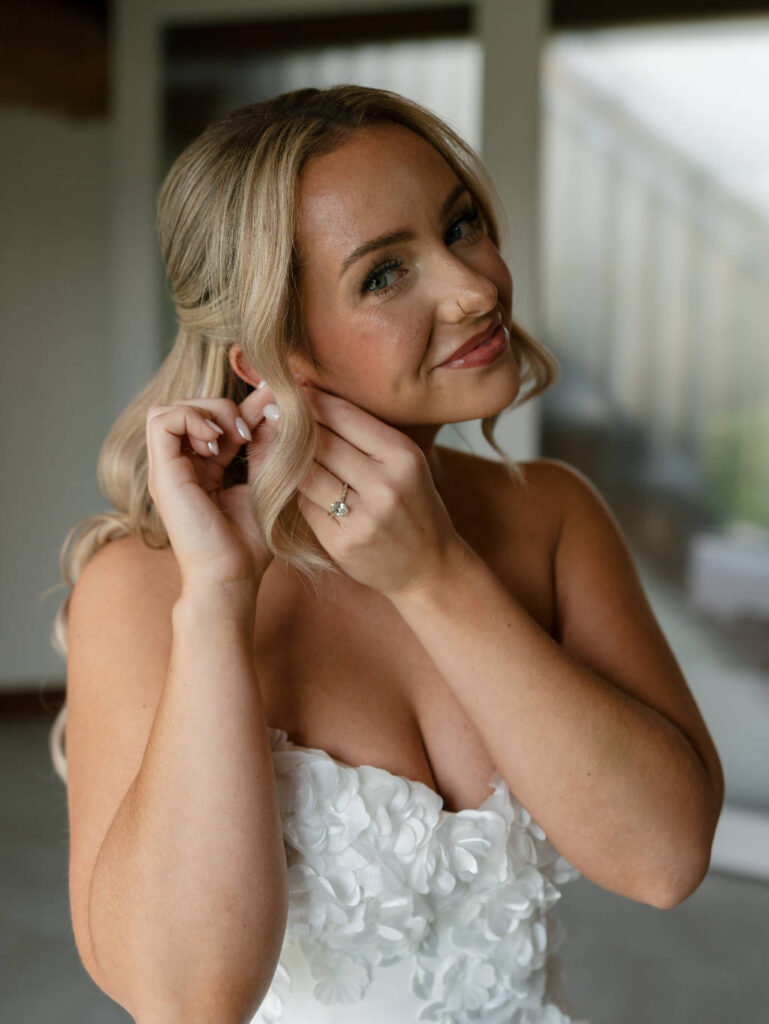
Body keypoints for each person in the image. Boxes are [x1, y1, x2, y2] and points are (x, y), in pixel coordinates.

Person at [49, 85, 724, 1024]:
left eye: (460, 226)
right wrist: (217, 598)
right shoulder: (143, 585)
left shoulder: (554, 517)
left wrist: (434, 576)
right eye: (383, 274)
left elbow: (663, 859)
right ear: (272, 353)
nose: (475, 287)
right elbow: (184, 999)